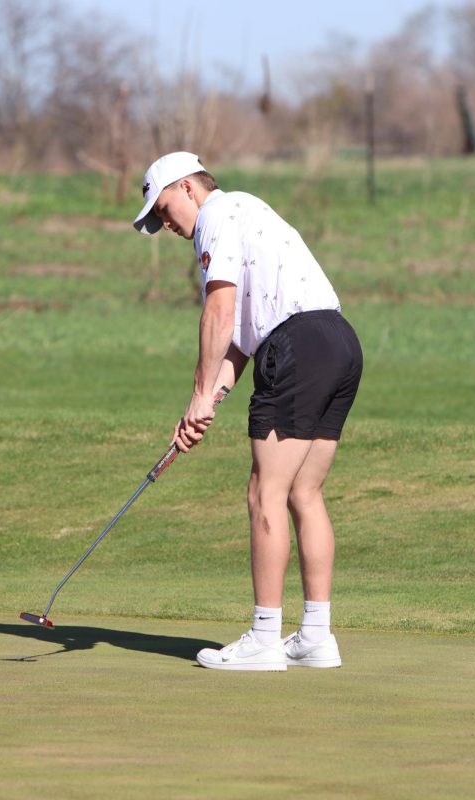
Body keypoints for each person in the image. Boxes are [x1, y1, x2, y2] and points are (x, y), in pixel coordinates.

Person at [132, 152, 363, 671]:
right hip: (338, 342)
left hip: (299, 346)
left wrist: (196, 393)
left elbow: (219, 309)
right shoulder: (248, 212)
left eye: (165, 208)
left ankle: (264, 638)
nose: (166, 224)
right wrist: (207, 403)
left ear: (187, 188)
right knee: (305, 492)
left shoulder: (215, 217)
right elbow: (241, 341)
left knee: (266, 492)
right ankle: (316, 637)